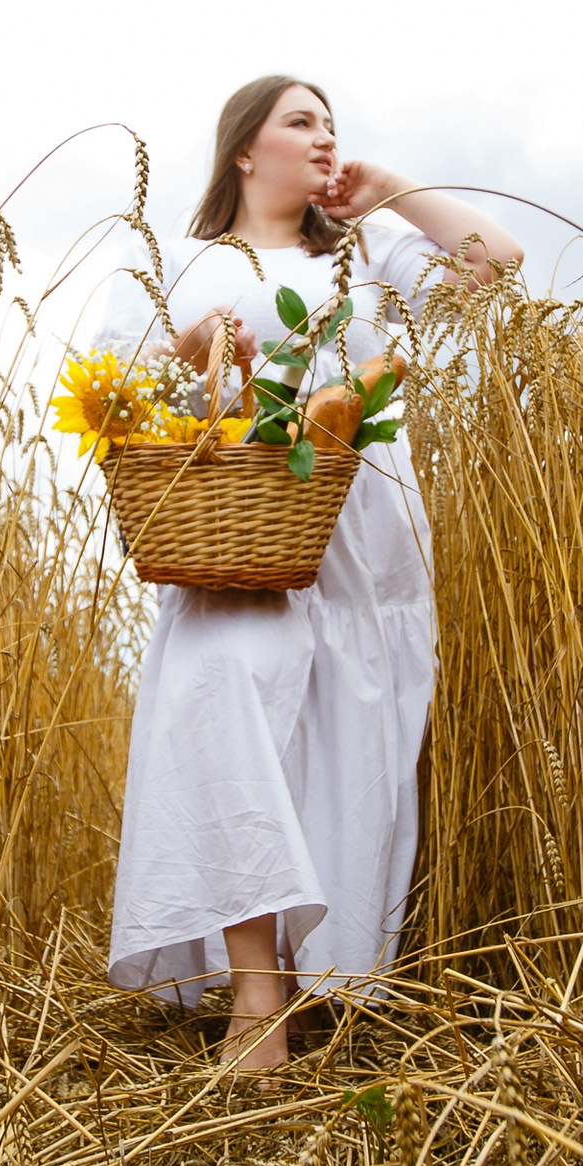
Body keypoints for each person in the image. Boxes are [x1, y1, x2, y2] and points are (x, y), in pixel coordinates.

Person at [100, 75, 522, 1078]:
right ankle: (259, 988)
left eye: (333, 125)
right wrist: (191, 347)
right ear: (245, 148)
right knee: (225, 707)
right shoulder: (181, 261)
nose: (324, 137)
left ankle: (328, 972)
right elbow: (114, 389)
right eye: (301, 122)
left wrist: (389, 190)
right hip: (234, 533)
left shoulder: (367, 254)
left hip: (363, 536)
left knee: (346, 738)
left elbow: (495, 266)